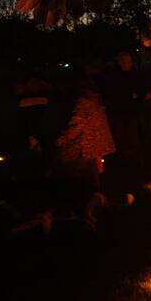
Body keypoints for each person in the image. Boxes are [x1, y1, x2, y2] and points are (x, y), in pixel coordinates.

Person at [55, 79, 116, 226]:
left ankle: (80, 210)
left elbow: (76, 125)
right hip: (97, 148)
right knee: (94, 181)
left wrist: (61, 140)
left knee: (78, 180)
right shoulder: (97, 102)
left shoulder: (82, 103)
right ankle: (97, 209)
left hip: (84, 149)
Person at [100, 52, 142, 166]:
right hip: (119, 110)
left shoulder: (135, 74)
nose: (127, 64)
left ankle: (132, 157)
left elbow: (141, 89)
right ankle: (120, 157)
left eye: (129, 61)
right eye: (124, 61)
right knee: (119, 134)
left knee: (132, 134)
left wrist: (137, 96)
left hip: (132, 110)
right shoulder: (114, 76)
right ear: (119, 63)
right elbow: (111, 92)